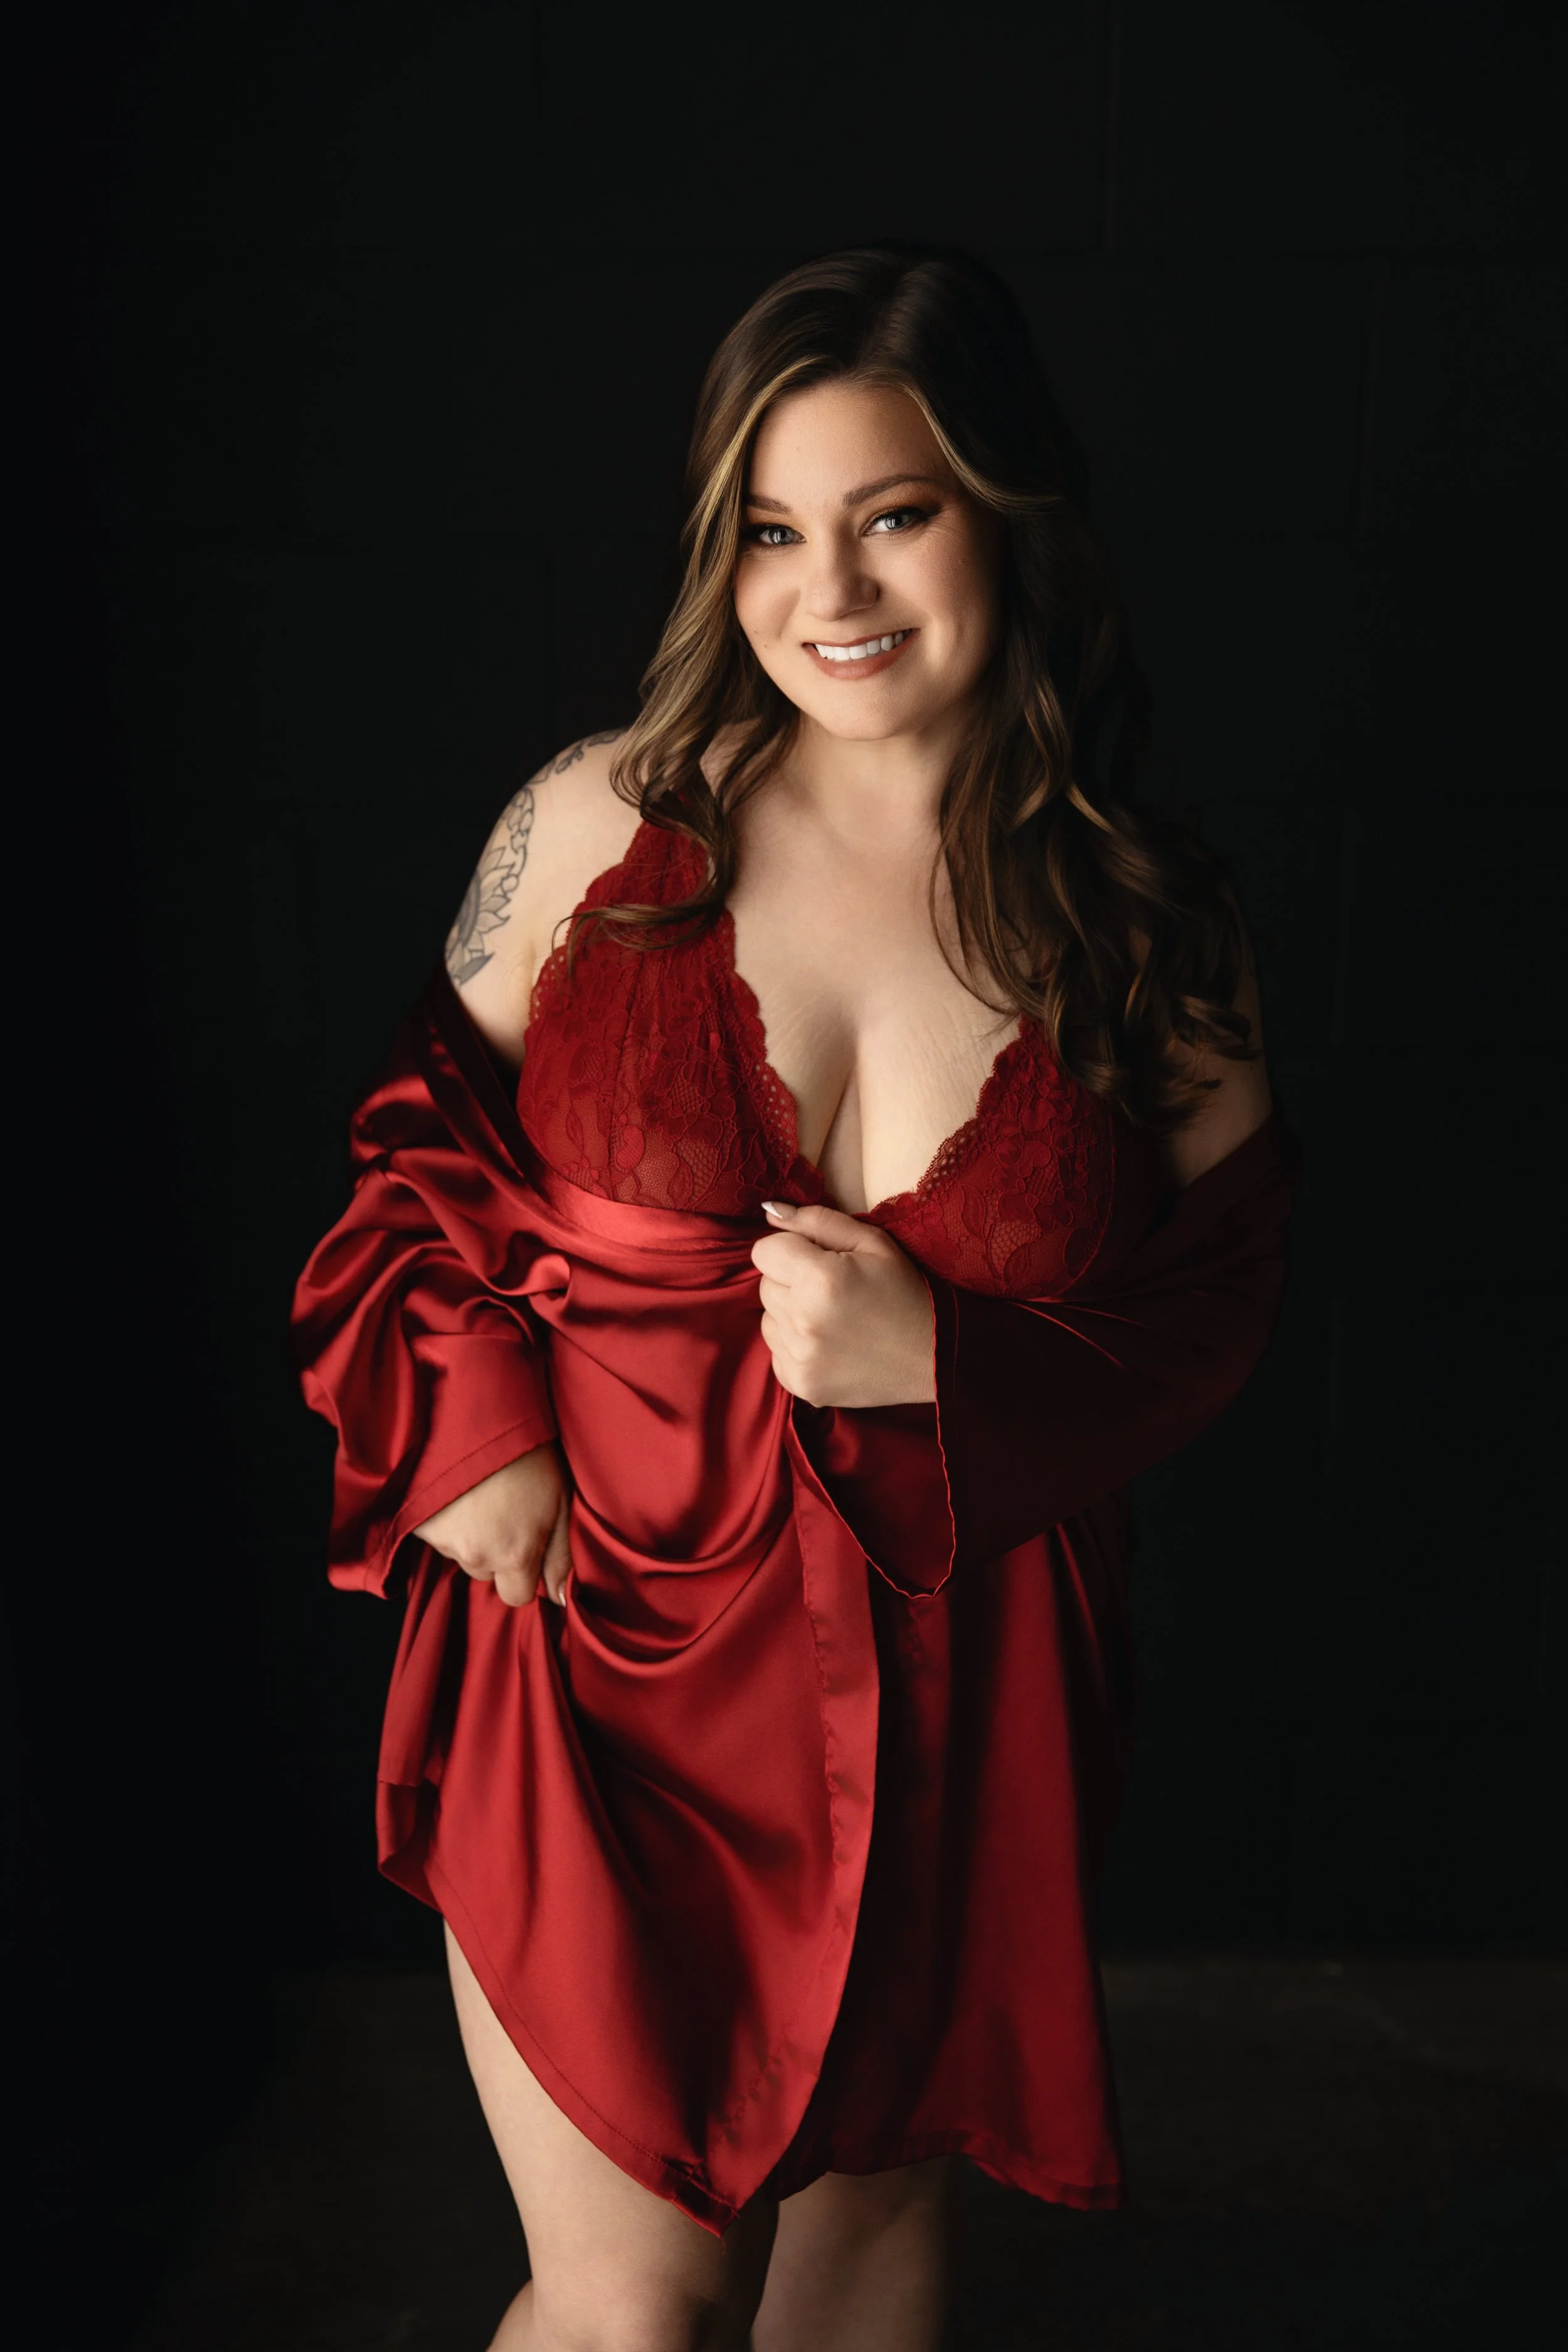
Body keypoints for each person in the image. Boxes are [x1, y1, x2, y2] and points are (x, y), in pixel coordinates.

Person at [294, 244, 1298, 2352]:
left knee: (863, 2279)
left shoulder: (1143, 925)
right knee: (631, 2313)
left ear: (1004, 511)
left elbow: (1212, 1313)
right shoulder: (594, 821)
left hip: (959, 1697)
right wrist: (469, 1410)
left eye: (892, 513)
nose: (825, 586)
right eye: (768, 527)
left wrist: (949, 1359)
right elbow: (411, 1149)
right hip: (597, 1663)